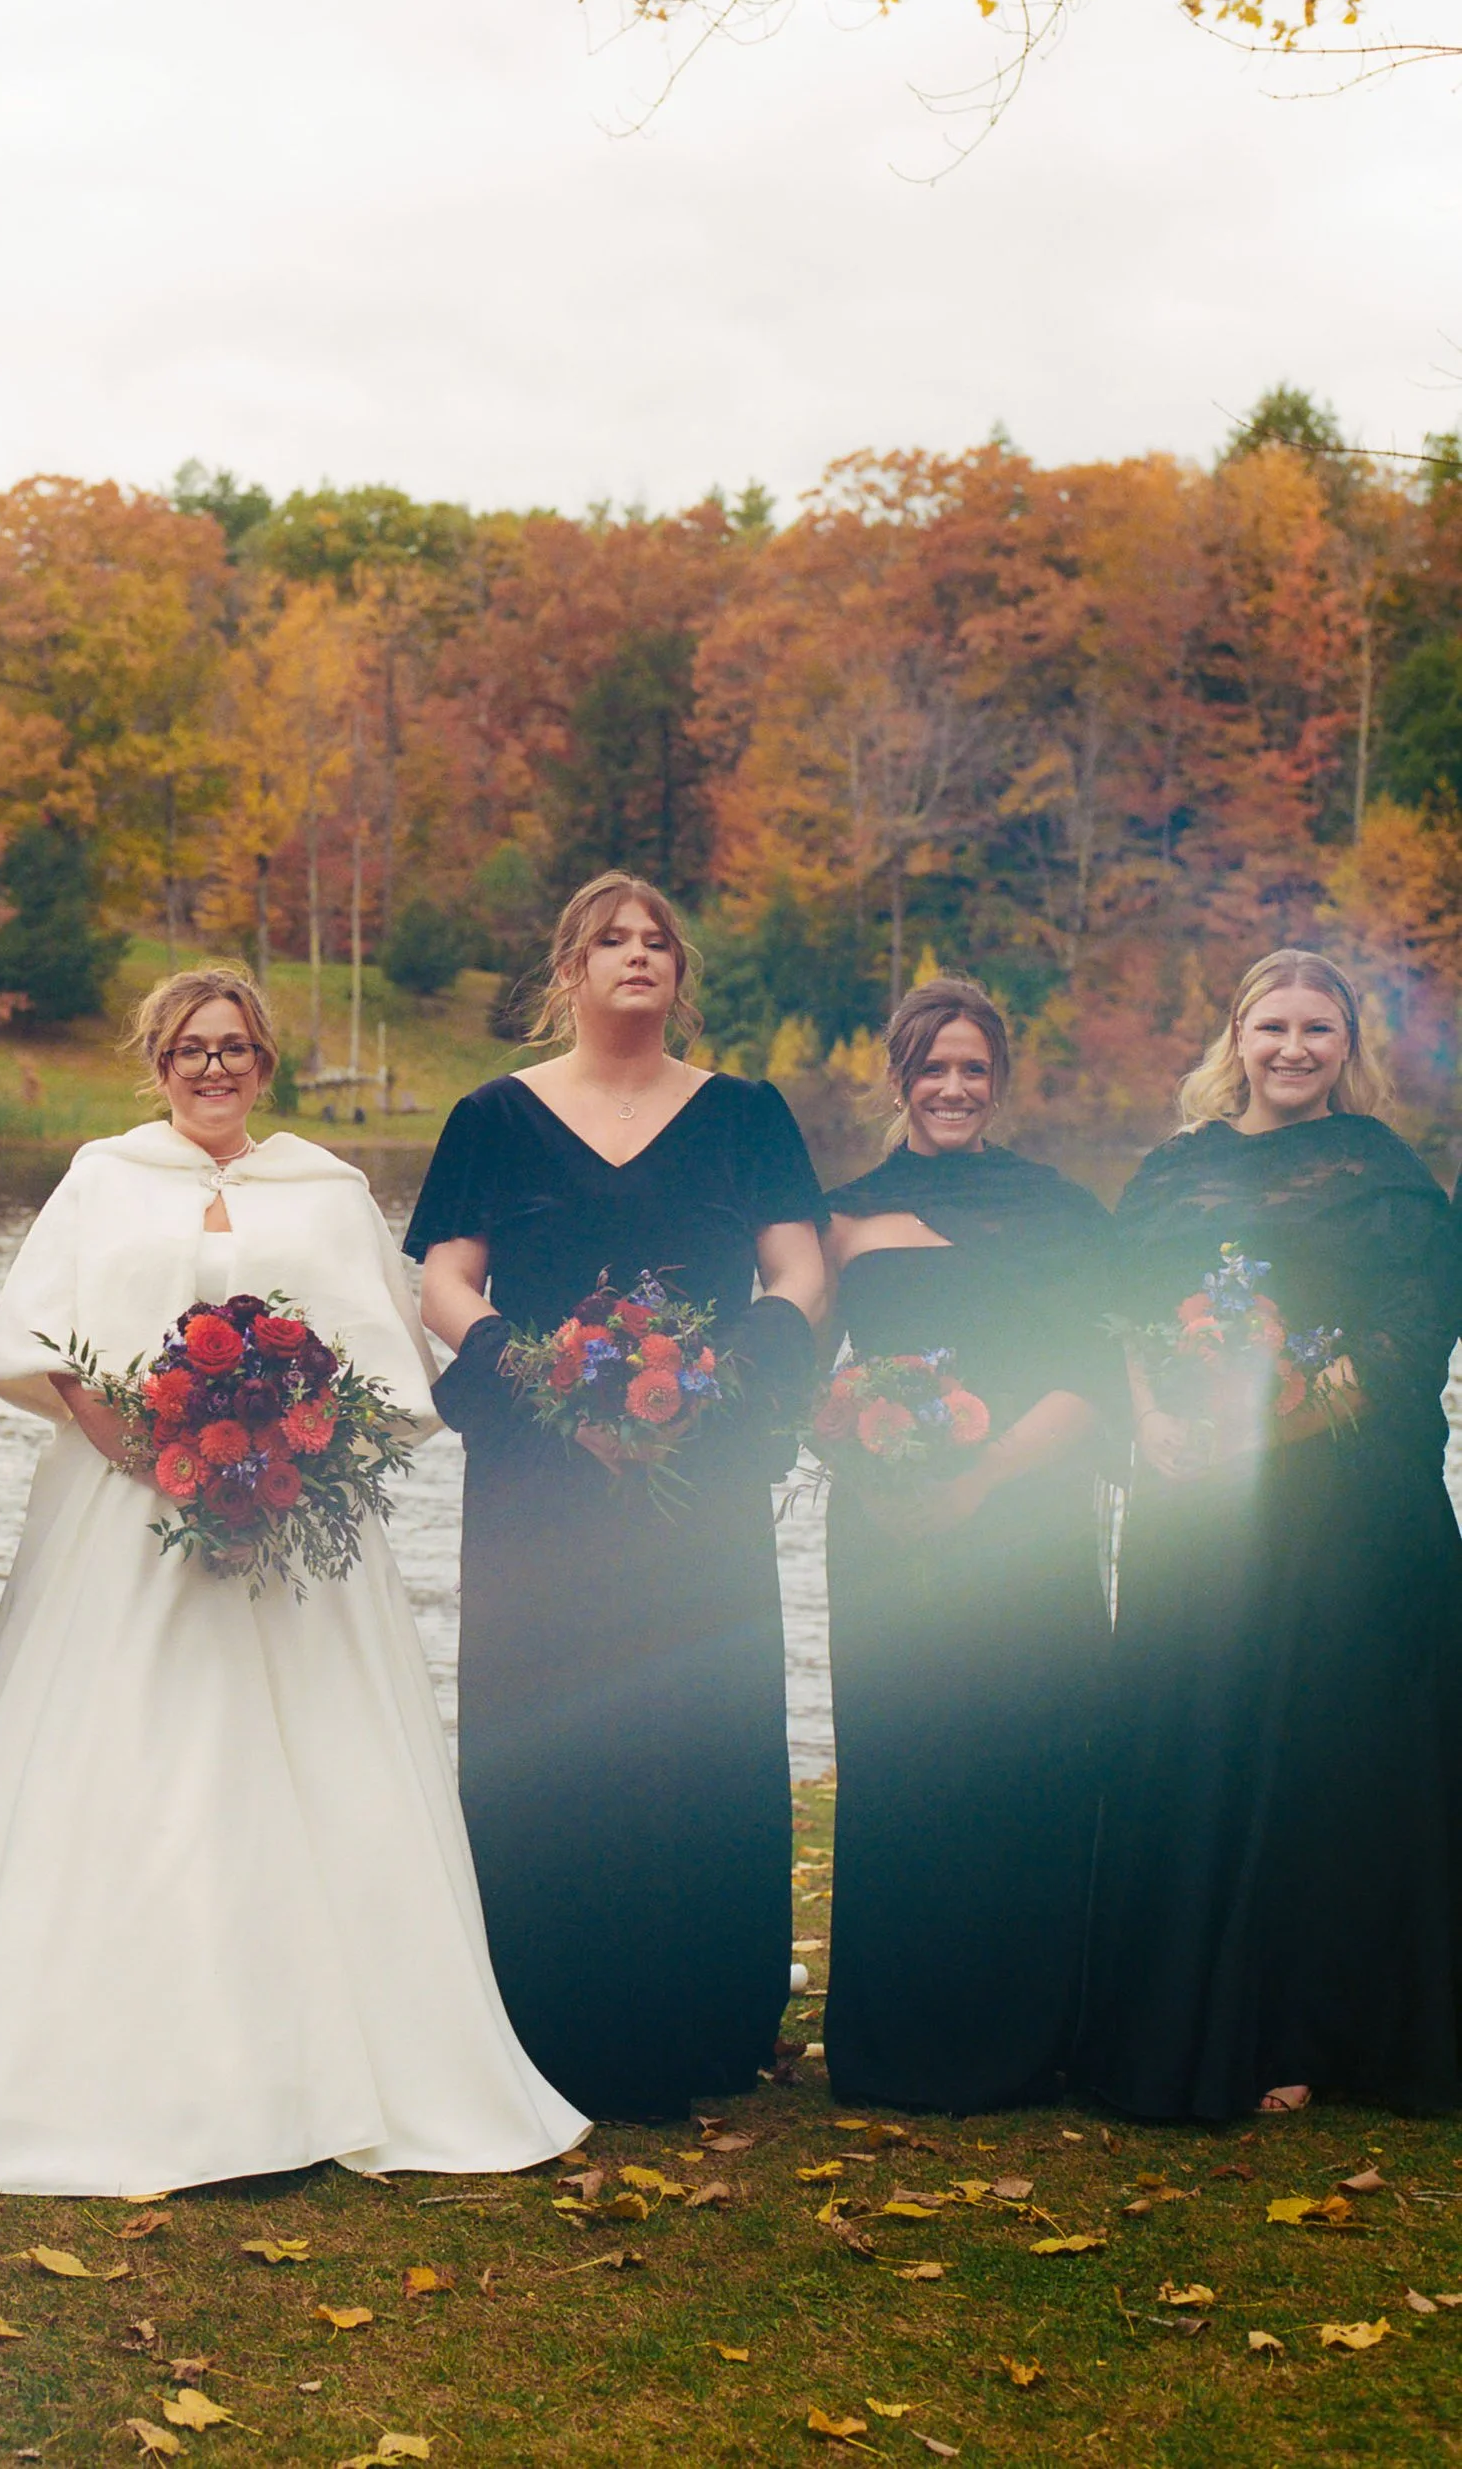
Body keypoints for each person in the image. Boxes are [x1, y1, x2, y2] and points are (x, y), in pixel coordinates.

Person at [0, 966, 583, 2196]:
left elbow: (379, 1365)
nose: (213, 1068)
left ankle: (339, 2072)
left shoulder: (326, 1189)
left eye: (236, 1047)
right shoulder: (102, 1178)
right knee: (122, 1767)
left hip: (289, 1539)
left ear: (266, 1063)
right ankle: (107, 2076)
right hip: (125, 1516)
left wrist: (284, 1460)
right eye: (191, 1048)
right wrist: (152, 1454)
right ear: (157, 1060)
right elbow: (45, 1346)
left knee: (312, 1777)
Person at [408, 872, 826, 2121]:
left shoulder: (746, 1113)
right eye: (609, 940)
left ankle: (698, 2020)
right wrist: (545, 1384)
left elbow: (798, 1272)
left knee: (692, 1718)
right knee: (550, 1720)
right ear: (570, 970)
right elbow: (443, 1282)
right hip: (542, 1474)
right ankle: (539, 2015)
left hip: (694, 1473)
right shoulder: (493, 1115)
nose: (635, 956)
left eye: (655, 941)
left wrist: (722, 1381)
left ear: (677, 975)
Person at [1078, 949, 1462, 2121]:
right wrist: (1154, 1425)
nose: (1293, 1049)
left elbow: (1413, 1331)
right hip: (1197, 1504)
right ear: (1233, 1037)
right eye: (1271, 1026)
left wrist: (1285, 1416)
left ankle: (1315, 2030)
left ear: (1349, 1048)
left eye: (1318, 1029)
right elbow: (1121, 1317)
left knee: (1323, 1757)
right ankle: (1201, 2013)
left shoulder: (1387, 1176)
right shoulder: (1170, 1169)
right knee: (1202, 1738)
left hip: (1341, 1513)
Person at [817, 978, 1118, 2113]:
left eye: (973, 1069)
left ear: (999, 1083)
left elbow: (1095, 1374)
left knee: (1029, 1762)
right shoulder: (839, 1215)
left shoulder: (1063, 1211)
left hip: (1028, 1515)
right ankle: (897, 2045)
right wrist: (862, 1462)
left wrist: (984, 1481)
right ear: (897, 1079)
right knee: (906, 1766)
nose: (952, 1087)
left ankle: (1032, 2037)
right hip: (888, 1529)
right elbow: (807, 1373)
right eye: (931, 1068)